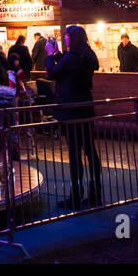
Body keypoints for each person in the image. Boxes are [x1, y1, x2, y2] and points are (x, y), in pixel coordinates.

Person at [45, 25, 103, 208]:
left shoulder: (72, 58)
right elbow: (66, 64)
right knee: (90, 151)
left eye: (67, 36)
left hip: (70, 109)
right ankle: (95, 194)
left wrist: (49, 55)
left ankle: (76, 196)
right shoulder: (86, 56)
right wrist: (56, 54)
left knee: (75, 154)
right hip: (85, 107)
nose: (65, 39)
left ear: (73, 38)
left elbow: (53, 72)